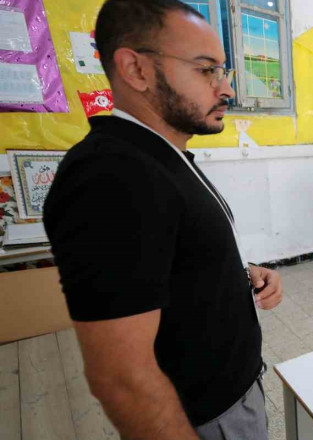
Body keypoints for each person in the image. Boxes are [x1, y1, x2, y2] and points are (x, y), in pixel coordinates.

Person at [42, 1, 282, 439]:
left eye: (222, 71)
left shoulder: (162, 158)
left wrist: (238, 273)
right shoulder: (112, 177)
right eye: (207, 69)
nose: (226, 89)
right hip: (202, 419)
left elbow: (171, 258)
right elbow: (123, 379)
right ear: (136, 69)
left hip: (233, 394)